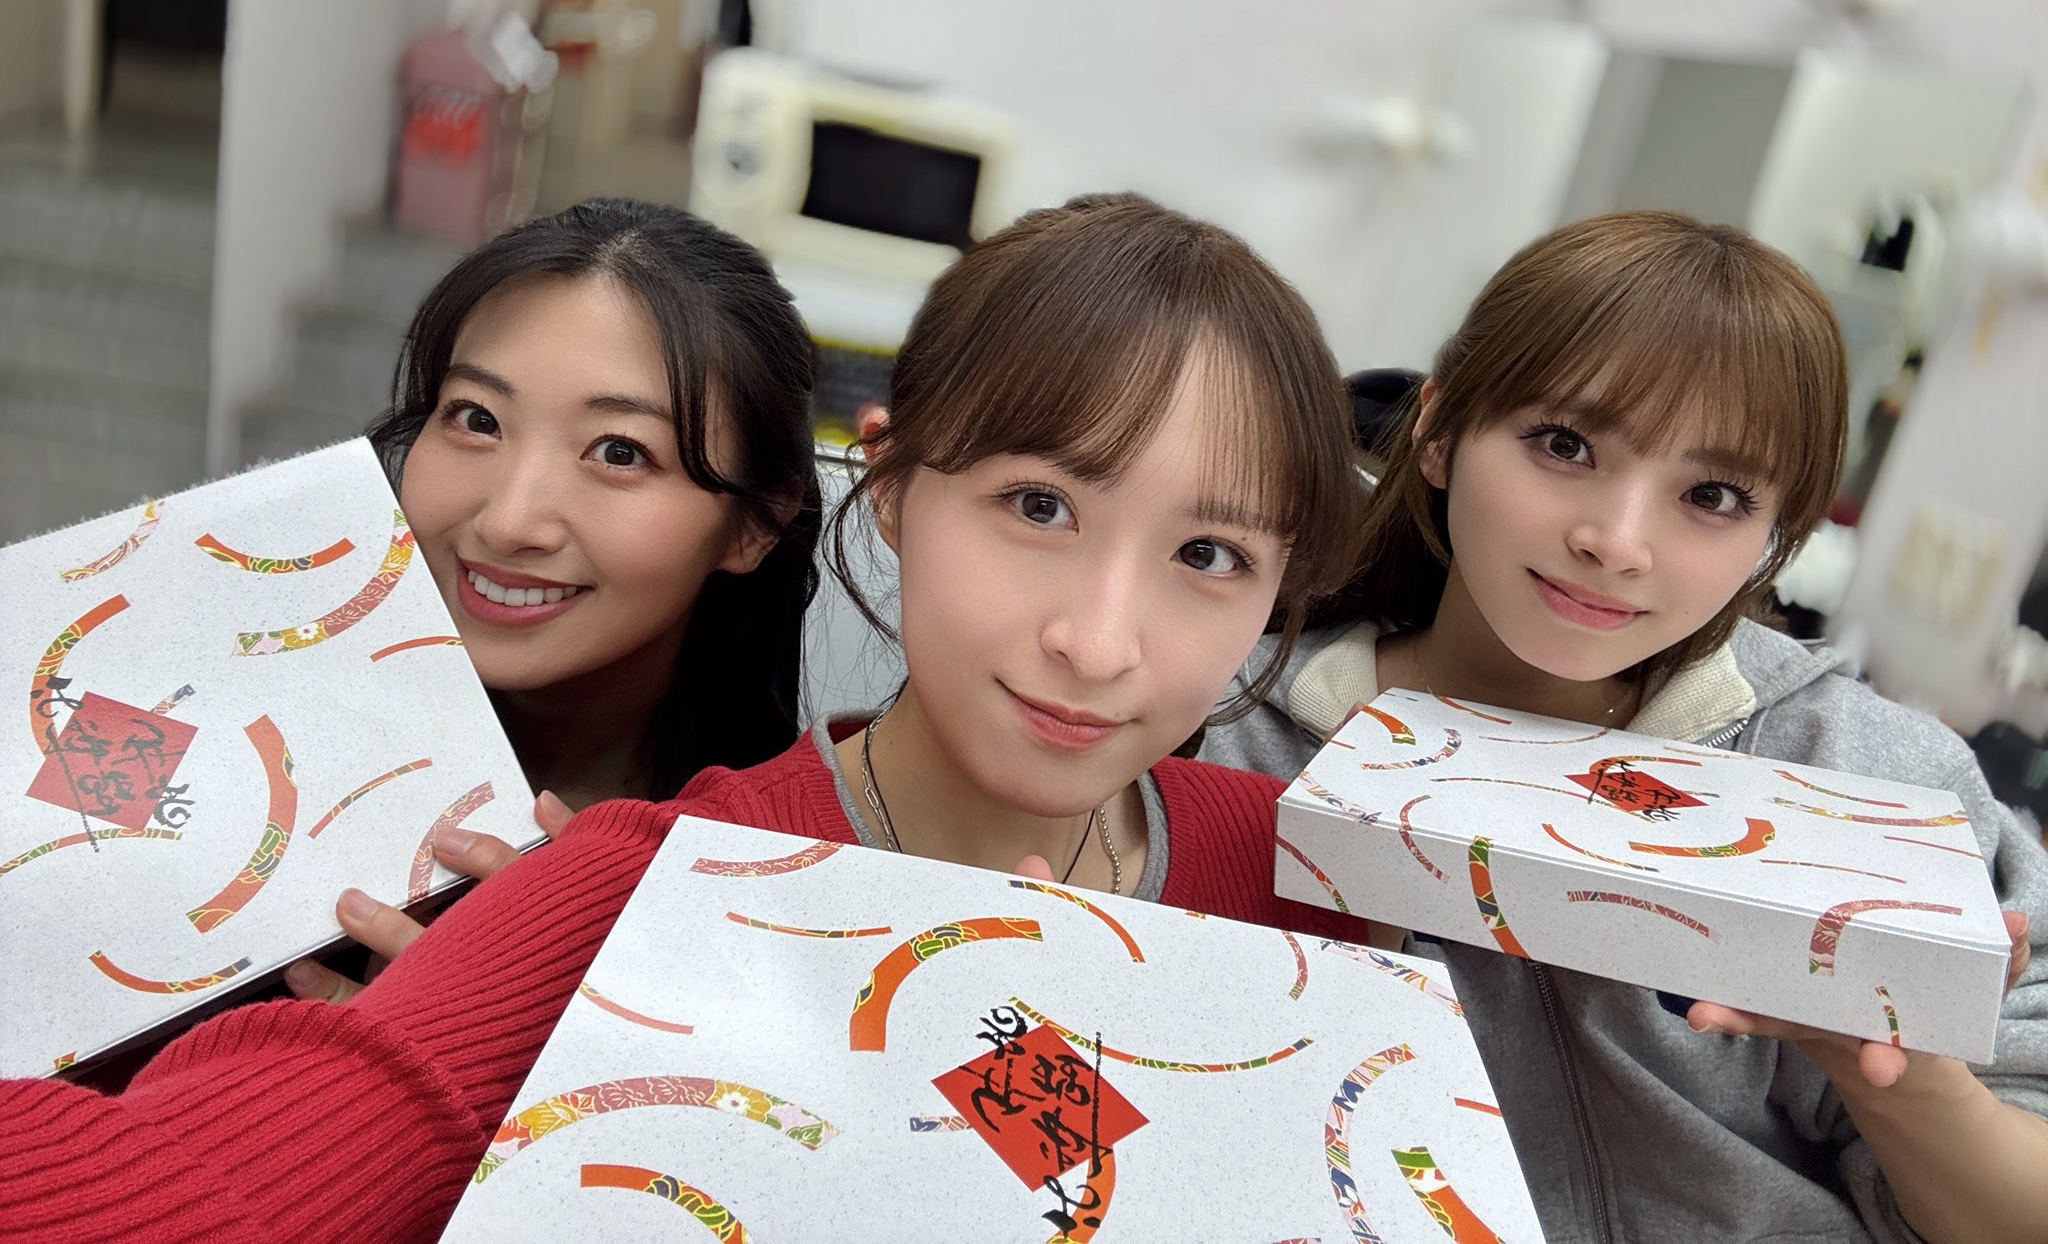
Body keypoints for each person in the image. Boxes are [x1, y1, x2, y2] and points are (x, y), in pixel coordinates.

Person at [3, 194, 1377, 1242]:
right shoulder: (627, 894)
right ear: (892, 486)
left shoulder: (1317, 879)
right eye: (1038, 506)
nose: (1098, 639)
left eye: (1210, 556)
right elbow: (190, 1190)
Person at [1202, 210, 2048, 1244]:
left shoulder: (1868, 780)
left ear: (1775, 534)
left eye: (1711, 495)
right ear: (1438, 430)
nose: (1616, 541)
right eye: (1564, 445)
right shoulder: (1221, 731)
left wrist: (1903, 1082)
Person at [285, 197, 822, 1005]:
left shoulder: (769, 909)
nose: (509, 522)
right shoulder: (251, 759)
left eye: (620, 452)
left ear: (755, 525)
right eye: (477, 418)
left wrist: (510, 1040)